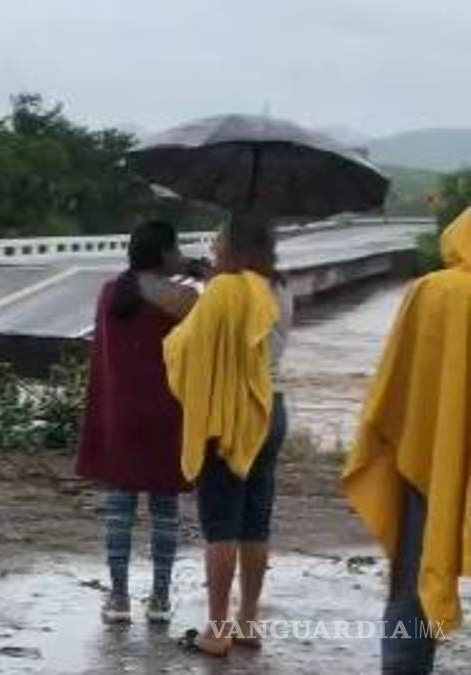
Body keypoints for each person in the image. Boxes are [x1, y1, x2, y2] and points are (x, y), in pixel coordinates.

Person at [344, 207, 471, 675]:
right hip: (438, 448)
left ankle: (404, 663)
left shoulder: (431, 292)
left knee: (415, 570)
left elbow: (394, 384)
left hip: (429, 453)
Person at [163, 216, 291, 657]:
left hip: (229, 416)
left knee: (221, 526)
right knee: (256, 523)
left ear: (232, 246)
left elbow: (187, 347)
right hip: (273, 410)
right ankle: (248, 621)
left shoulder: (226, 291)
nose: (214, 246)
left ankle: (216, 631)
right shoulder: (280, 287)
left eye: (219, 239)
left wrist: (193, 309)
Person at [76, 221, 201, 624]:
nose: (181, 254)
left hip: (121, 416)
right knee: (165, 509)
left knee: (118, 509)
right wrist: (205, 276)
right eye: (176, 248)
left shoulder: (111, 293)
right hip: (167, 415)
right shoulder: (180, 298)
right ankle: (160, 600)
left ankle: (118, 599)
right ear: (164, 254)